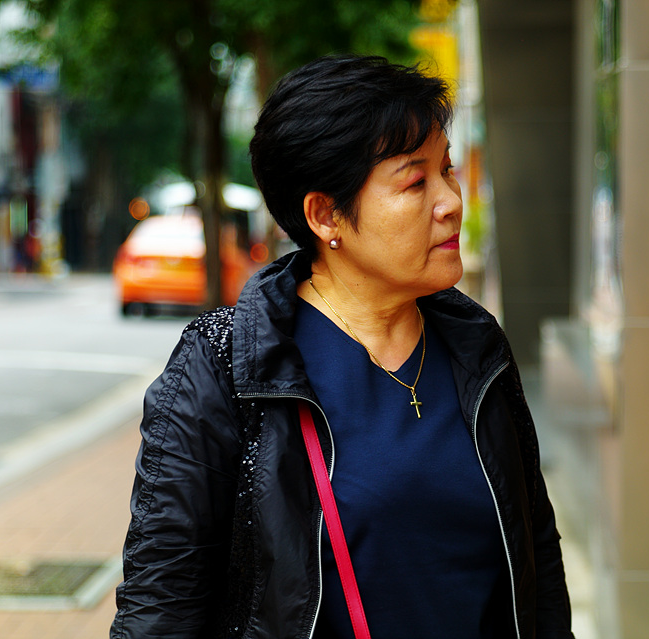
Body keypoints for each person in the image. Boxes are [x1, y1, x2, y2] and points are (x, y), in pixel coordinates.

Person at [111, 55, 574, 639]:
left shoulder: (477, 349)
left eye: (447, 170)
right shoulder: (224, 366)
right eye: (415, 182)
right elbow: (161, 608)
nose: (452, 201)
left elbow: (538, 562)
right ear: (326, 215)